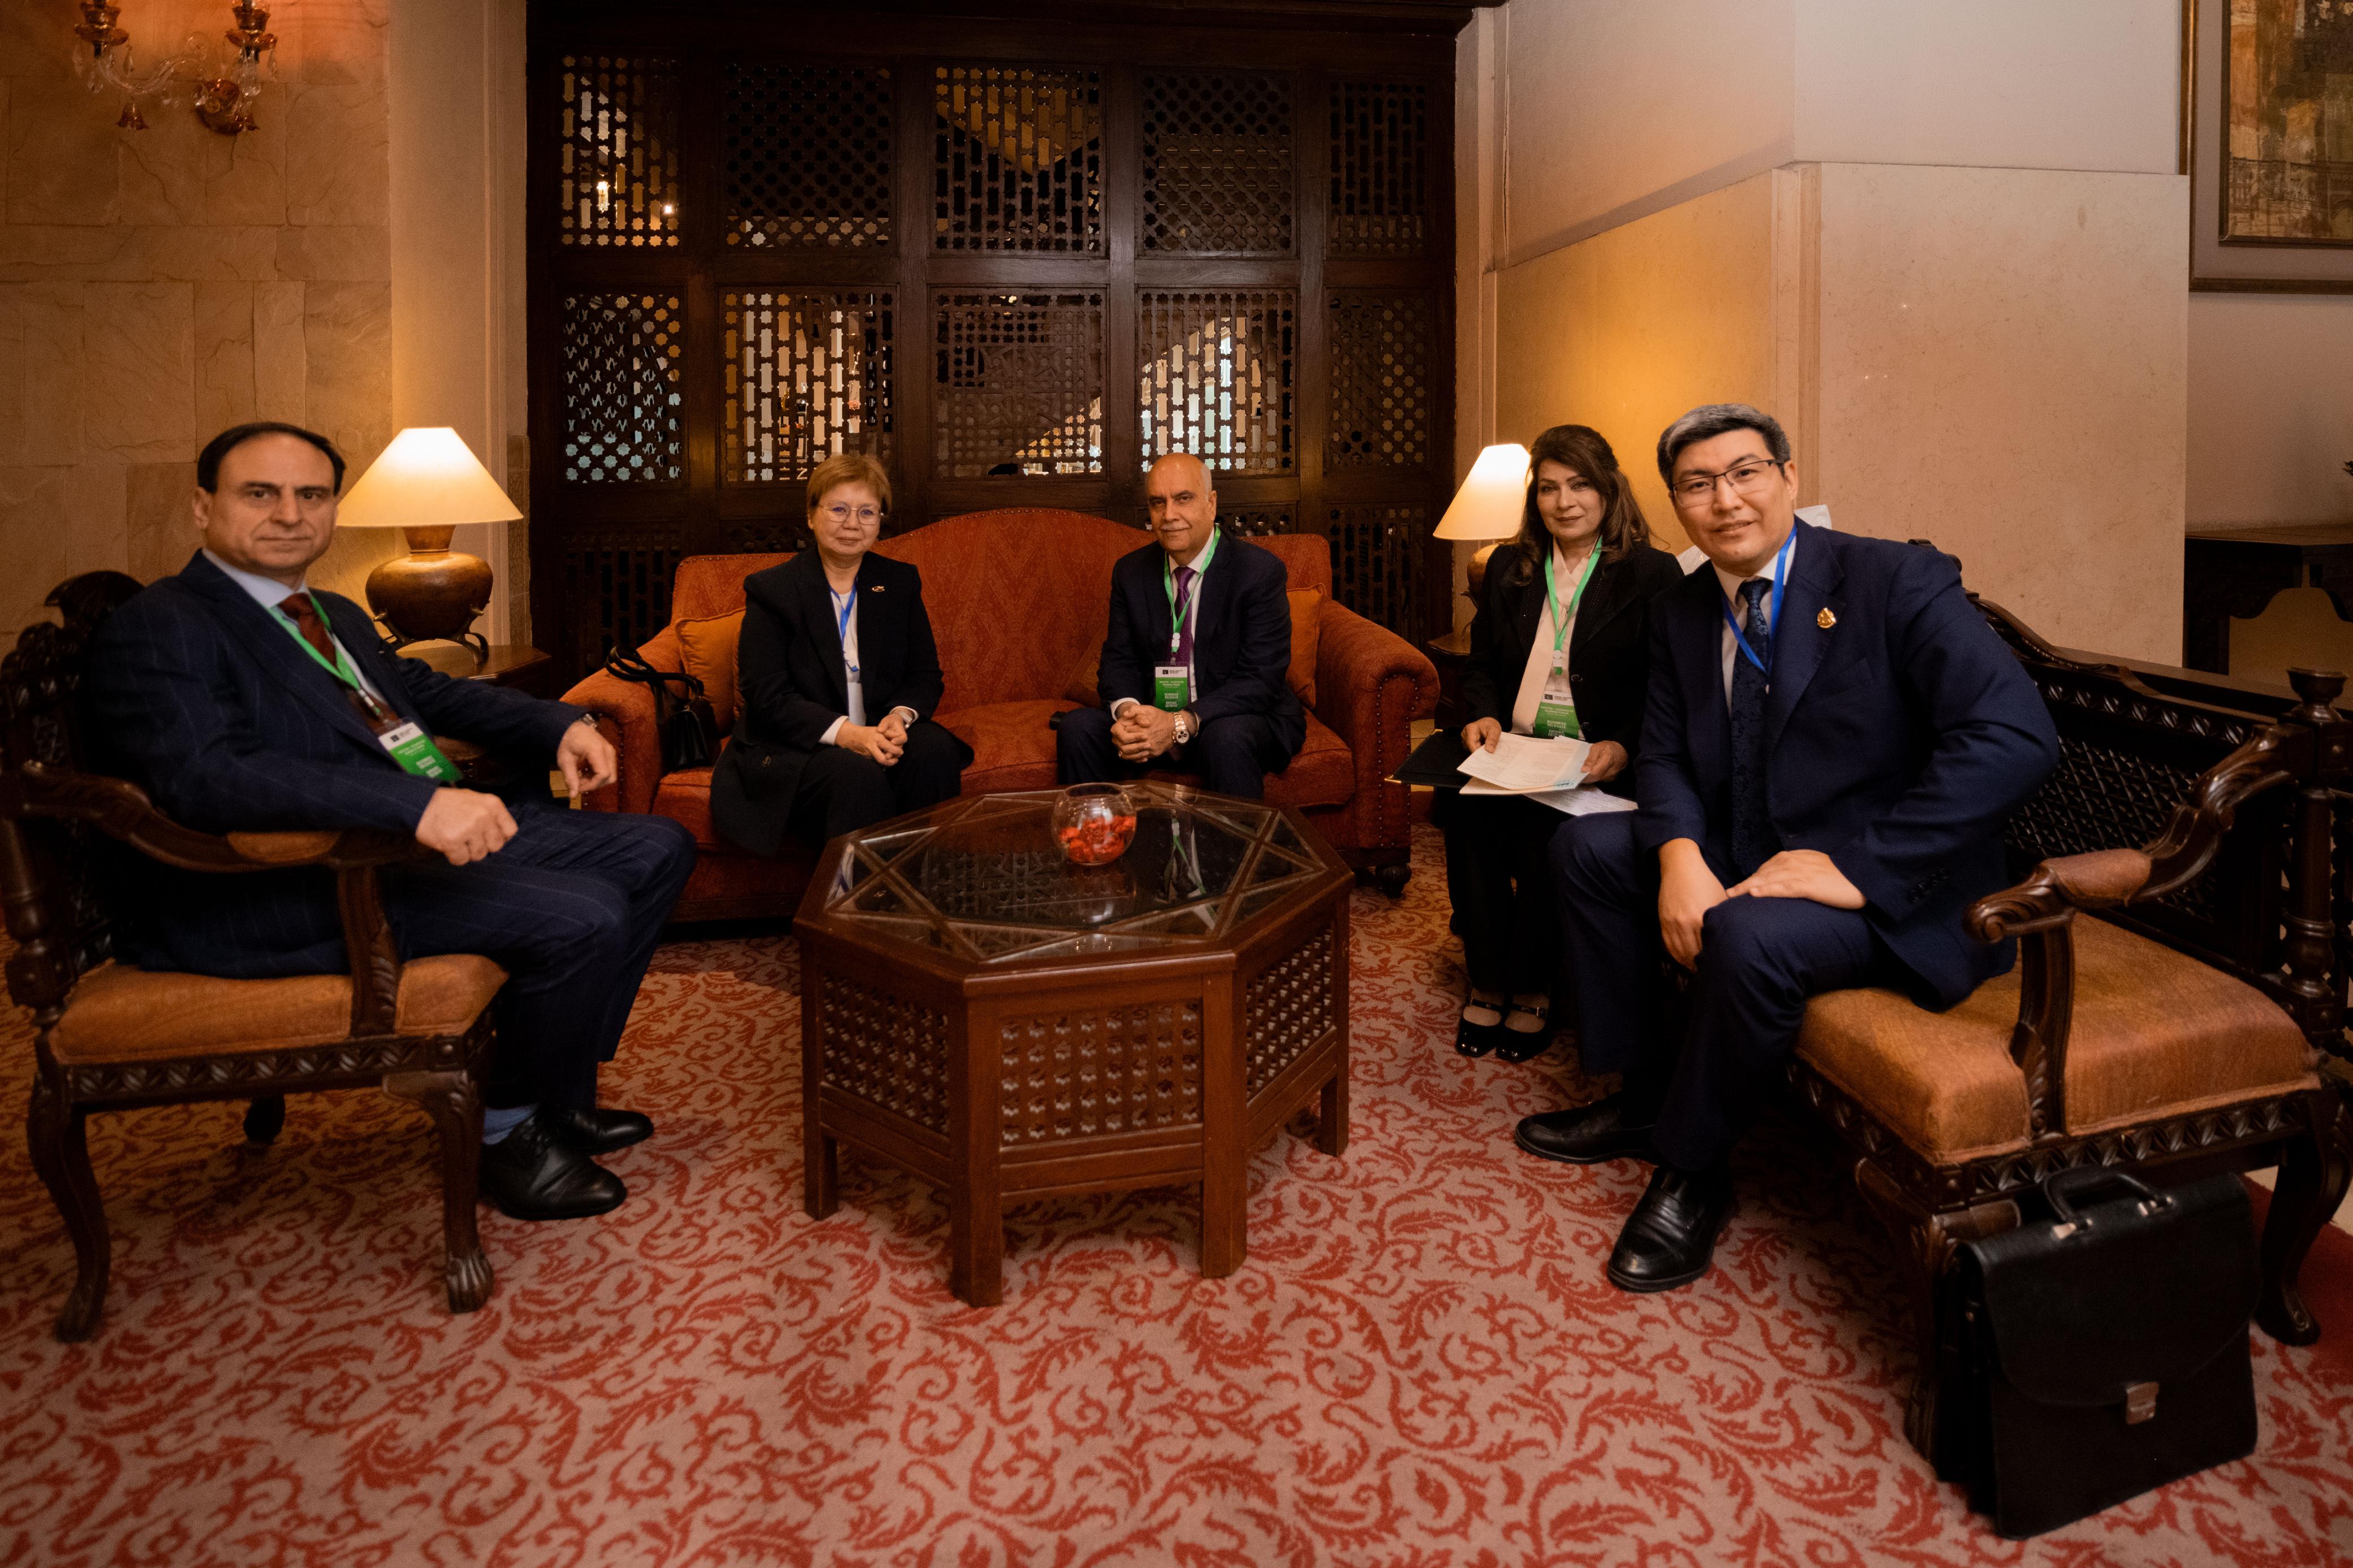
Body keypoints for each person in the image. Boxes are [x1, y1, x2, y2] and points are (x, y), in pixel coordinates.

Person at [80, 421, 699, 1224]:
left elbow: (426, 694)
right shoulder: (166, 622)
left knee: (657, 844)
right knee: (586, 914)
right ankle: (505, 1127)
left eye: (311, 495)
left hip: (391, 849)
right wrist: (417, 805)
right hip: (283, 885)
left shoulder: (327, 610)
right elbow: (210, 776)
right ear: (203, 507)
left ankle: (555, 1089)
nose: (290, 514)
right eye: (260, 493)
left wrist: (558, 723)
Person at [1521, 403, 2058, 1293]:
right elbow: (1663, 751)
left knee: (1747, 936)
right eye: (1698, 484)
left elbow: (2014, 737)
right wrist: (1680, 856)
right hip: (1753, 846)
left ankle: (1693, 1167)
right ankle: (1647, 1097)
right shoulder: (1684, 607)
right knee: (1586, 850)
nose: (1725, 500)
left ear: (1790, 478)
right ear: (1676, 505)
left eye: (1745, 473)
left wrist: (1861, 868)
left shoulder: (1893, 579)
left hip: (1894, 883)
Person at [1441, 425, 1683, 1063]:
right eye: (1548, 488)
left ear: (1608, 489)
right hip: (1515, 749)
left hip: (1592, 760)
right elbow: (1480, 663)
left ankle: (1530, 985)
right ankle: (1487, 977)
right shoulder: (1509, 567)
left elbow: (1666, 687)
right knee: (1465, 816)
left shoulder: (1650, 574)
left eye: (1579, 485)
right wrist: (1482, 714)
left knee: (1545, 833)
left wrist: (1623, 746)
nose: (1564, 501)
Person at [711, 452, 970, 855]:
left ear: (880, 521)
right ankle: (858, 893)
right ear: (812, 515)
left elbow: (924, 675)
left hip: (877, 727)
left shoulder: (898, 582)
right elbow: (767, 696)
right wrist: (849, 735)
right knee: (855, 774)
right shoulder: (773, 590)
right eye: (839, 509)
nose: (853, 524)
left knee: (934, 750)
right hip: (798, 744)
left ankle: (924, 877)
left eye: (867, 512)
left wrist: (899, 717)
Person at [1057, 452, 1305, 798]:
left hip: (1230, 717)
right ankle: (1102, 832)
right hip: (1154, 716)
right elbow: (1119, 662)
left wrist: (1179, 722)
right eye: (1158, 503)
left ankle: (1237, 838)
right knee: (1077, 728)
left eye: (1183, 499)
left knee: (1226, 739)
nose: (1169, 515)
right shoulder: (1131, 572)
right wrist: (1130, 715)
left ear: (1211, 503)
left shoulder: (1258, 572)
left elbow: (1260, 679)